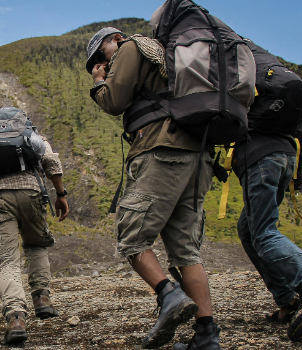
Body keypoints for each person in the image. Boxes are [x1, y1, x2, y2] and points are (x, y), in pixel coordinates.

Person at [86, 27, 221, 350]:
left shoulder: (131, 47)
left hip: (162, 151)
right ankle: (206, 335)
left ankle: (168, 295)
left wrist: (99, 82)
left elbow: (114, 101)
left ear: (113, 40)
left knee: (131, 237)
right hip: (198, 156)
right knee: (186, 251)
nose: (98, 64)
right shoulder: (165, 54)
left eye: (98, 56)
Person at [233, 122, 302, 342]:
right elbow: (301, 129)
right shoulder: (284, 89)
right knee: (247, 229)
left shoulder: (245, 88)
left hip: (260, 157)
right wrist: (299, 168)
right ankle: (287, 301)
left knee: (263, 233)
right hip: (287, 157)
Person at [0, 107, 69, 345]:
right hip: (31, 193)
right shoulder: (31, 135)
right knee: (36, 245)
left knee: (6, 259)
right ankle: (42, 299)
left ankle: (16, 317)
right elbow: (51, 161)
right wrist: (61, 194)